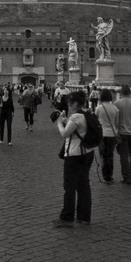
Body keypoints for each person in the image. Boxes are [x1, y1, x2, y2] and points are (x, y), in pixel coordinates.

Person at [55, 90, 94, 226]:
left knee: (69, 186)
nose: (68, 105)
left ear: (76, 103)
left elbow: (65, 134)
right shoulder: (87, 114)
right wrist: (67, 120)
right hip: (87, 153)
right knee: (83, 185)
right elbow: (78, 129)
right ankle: (84, 217)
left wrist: (60, 123)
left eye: (70, 103)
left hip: (74, 154)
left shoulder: (76, 117)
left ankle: (67, 217)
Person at [95, 88, 119, 183]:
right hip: (112, 134)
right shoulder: (115, 108)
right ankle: (110, 175)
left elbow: (96, 120)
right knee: (110, 155)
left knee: (102, 155)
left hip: (102, 134)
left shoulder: (99, 108)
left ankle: (105, 175)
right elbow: (117, 123)